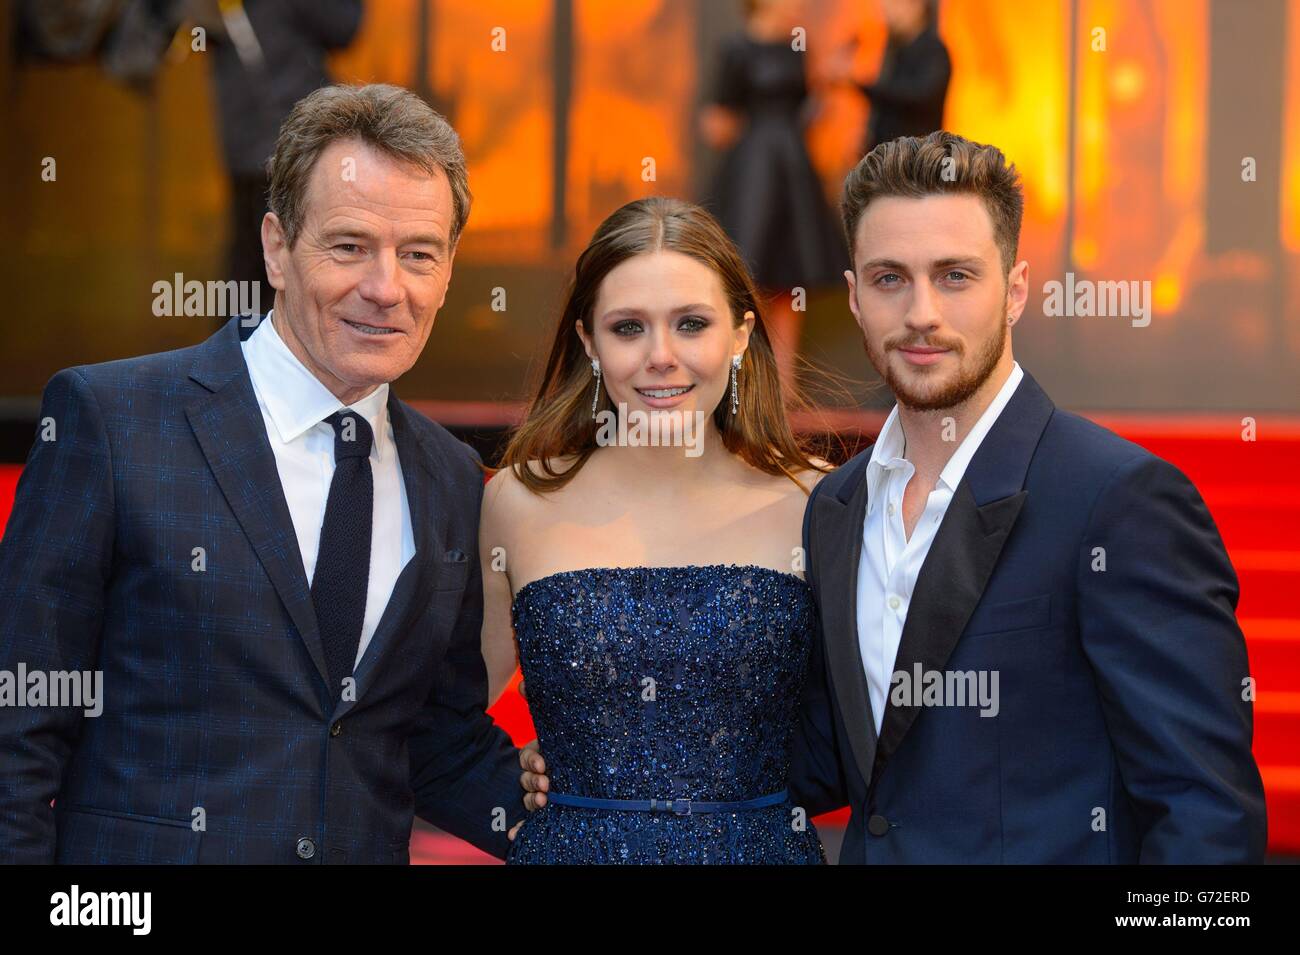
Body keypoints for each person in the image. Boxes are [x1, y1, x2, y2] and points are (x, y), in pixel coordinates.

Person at [0, 83, 527, 864]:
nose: (386, 288)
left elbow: (429, 739)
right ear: (277, 248)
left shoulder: (451, 478)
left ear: (449, 271)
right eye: (349, 246)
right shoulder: (113, 420)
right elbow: (17, 726)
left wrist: (607, 826)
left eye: (419, 254)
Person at [791, 130, 1266, 862]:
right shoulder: (836, 506)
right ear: (854, 297)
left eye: (955, 276)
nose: (921, 312)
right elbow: (834, 757)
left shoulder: (1118, 500)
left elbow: (1205, 815)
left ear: (1014, 291)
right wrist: (588, 755)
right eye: (890, 278)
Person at [484, 197, 833, 864]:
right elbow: (440, 715)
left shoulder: (817, 501)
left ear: (739, 335)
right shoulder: (516, 499)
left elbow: (874, 723)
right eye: (628, 328)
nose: (661, 356)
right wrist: (511, 792)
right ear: (588, 342)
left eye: (692, 324)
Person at [700, 0, 849, 389]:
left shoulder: (798, 49)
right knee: (747, 275)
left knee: (788, 276)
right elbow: (716, 123)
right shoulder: (735, 50)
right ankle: (742, 385)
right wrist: (752, 143)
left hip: (793, 174)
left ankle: (783, 388)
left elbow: (807, 114)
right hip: (752, 177)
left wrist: (827, 86)